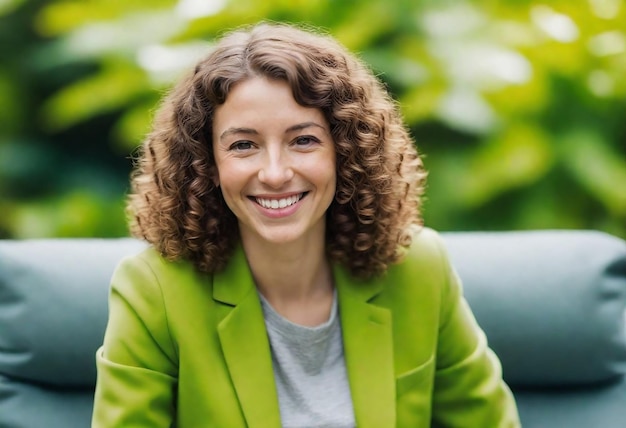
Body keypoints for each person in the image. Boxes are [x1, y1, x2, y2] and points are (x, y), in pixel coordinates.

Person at [92, 21, 520, 427]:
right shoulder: (154, 291)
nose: (275, 173)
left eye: (304, 140)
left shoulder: (419, 269)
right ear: (207, 163)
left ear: (347, 151)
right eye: (243, 145)